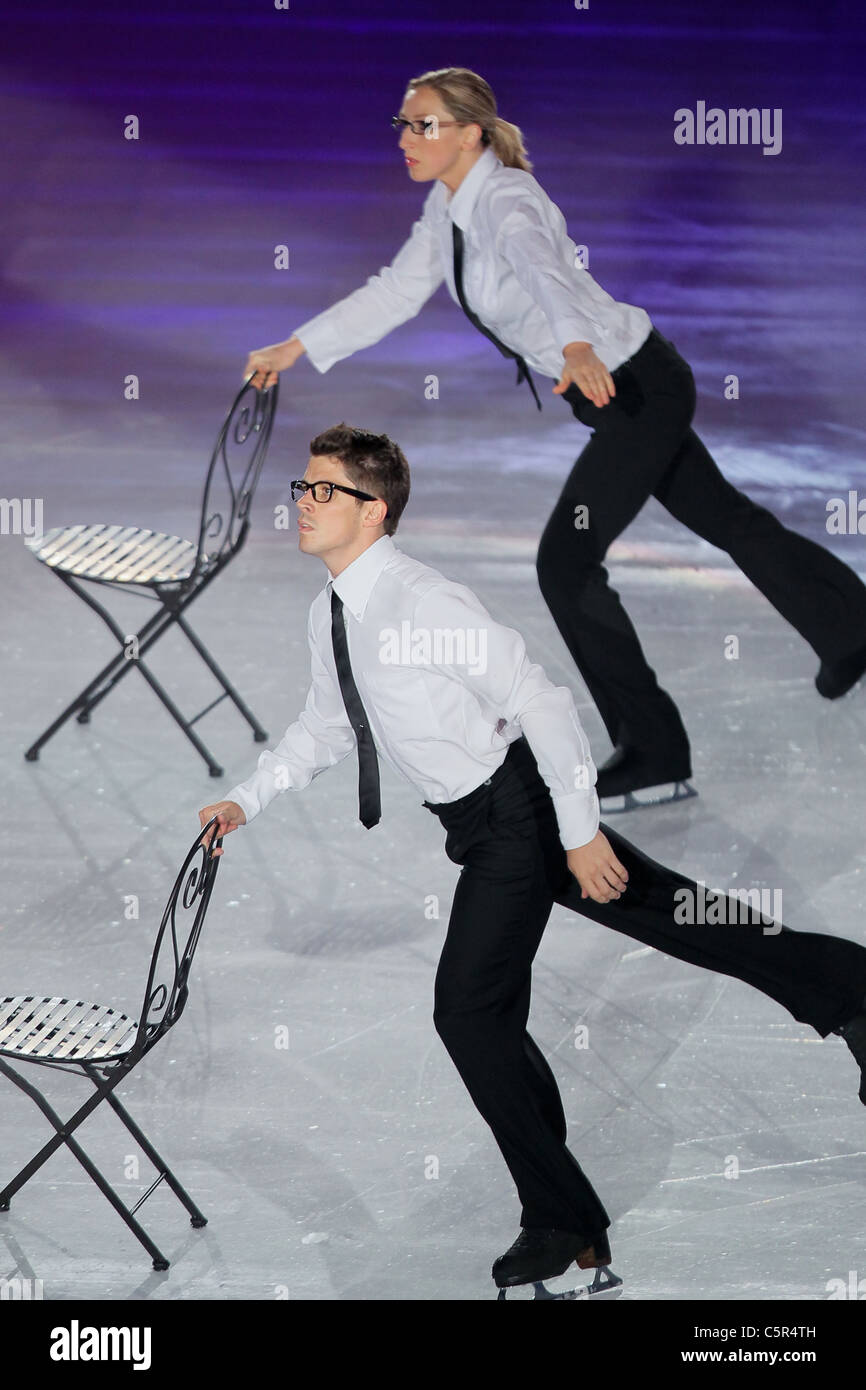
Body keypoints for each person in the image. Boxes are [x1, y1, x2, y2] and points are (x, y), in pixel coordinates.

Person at [198, 423, 866, 1296]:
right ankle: (851, 991)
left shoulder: (421, 601)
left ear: (376, 510)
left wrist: (580, 831)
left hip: (520, 816)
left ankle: (563, 1220)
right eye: (305, 488)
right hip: (485, 823)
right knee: (677, 917)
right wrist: (247, 797)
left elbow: (542, 700)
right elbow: (326, 725)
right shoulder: (331, 611)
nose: (305, 503)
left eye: (325, 491)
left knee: (470, 1014)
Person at [239, 66, 866, 811]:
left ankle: (656, 748)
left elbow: (546, 271)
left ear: (469, 133)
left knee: (565, 564)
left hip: (629, 383)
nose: (407, 138)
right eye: (403, 124)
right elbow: (396, 291)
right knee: (727, 519)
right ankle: (850, 626)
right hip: (618, 390)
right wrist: (297, 347)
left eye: (424, 124)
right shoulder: (448, 210)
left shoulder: (505, 197)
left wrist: (572, 347)